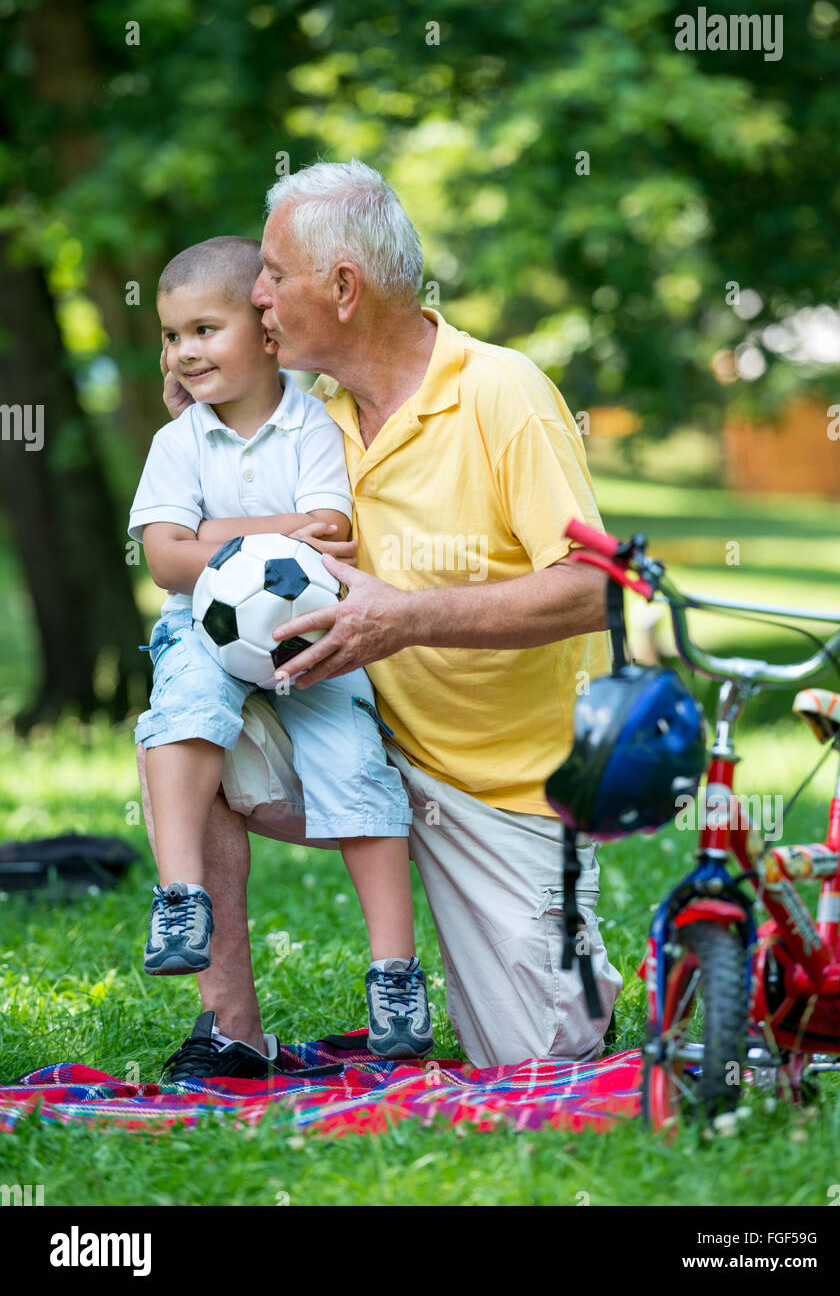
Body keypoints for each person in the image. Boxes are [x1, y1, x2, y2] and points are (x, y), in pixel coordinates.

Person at [144, 161, 622, 1081]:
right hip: (349, 729)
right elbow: (191, 527)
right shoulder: (302, 410)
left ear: (343, 288)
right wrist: (195, 417)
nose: (256, 294)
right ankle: (229, 1027)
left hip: (501, 789)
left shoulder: (500, 392)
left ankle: (563, 952)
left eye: (274, 275)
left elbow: (595, 587)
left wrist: (406, 619)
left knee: (541, 1056)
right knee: (182, 713)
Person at [129, 234, 434, 1064]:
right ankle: (181, 893)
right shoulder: (178, 443)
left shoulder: (313, 422)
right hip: (201, 628)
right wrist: (269, 533)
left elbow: (329, 539)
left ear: (266, 333)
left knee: (358, 768)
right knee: (182, 711)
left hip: (313, 639)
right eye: (171, 336)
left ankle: (394, 975)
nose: (184, 352)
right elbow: (166, 559)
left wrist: (214, 536)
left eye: (203, 329)